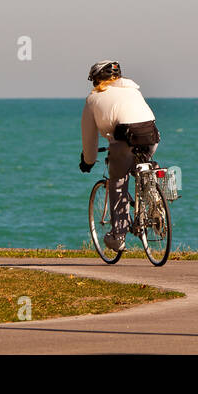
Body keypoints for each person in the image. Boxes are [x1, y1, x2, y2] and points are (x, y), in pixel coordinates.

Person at [78, 60, 158, 252]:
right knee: (139, 167)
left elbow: (89, 138)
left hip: (124, 136)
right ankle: (153, 197)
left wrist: (88, 161)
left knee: (118, 182)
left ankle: (118, 236)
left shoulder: (93, 99)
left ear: (96, 80)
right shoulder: (133, 89)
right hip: (151, 134)